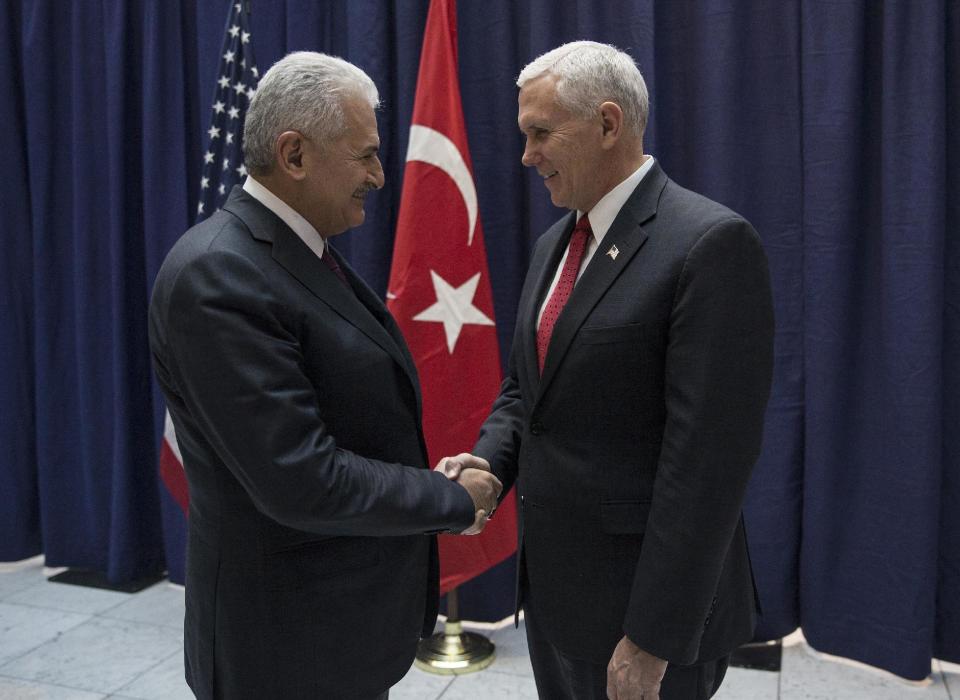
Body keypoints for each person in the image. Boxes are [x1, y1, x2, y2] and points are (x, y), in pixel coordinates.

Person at [148, 51, 501, 700]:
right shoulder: (218, 276)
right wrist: (450, 500)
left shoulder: (298, 253)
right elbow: (299, 480)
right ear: (295, 154)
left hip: (336, 631)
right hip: (284, 650)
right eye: (364, 154)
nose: (378, 174)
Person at [441, 41, 774, 699]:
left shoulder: (710, 244)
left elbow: (707, 466)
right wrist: (488, 464)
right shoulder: (554, 244)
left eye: (541, 134)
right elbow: (526, 389)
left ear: (608, 123)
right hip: (556, 597)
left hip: (644, 617)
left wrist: (652, 638)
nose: (526, 156)